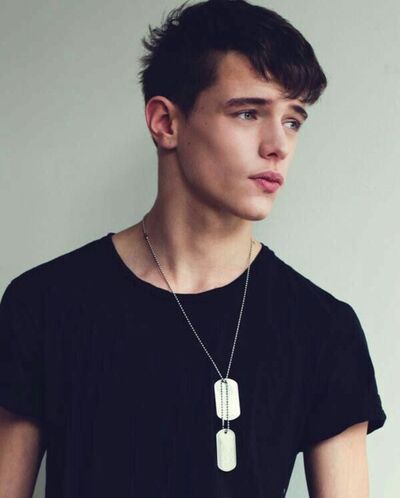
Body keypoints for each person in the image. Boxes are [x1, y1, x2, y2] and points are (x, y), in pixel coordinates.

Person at [0, 0, 387, 496]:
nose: (278, 145)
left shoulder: (323, 329)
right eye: (248, 113)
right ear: (166, 123)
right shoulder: (44, 304)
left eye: (293, 120)